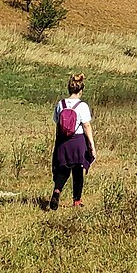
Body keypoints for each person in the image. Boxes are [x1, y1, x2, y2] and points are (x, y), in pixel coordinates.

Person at [50, 73, 96, 209]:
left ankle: (57, 191)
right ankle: (77, 200)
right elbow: (86, 125)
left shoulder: (61, 104)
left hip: (63, 141)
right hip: (78, 141)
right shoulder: (82, 106)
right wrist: (92, 145)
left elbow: (57, 122)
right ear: (81, 91)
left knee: (63, 169)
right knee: (78, 169)